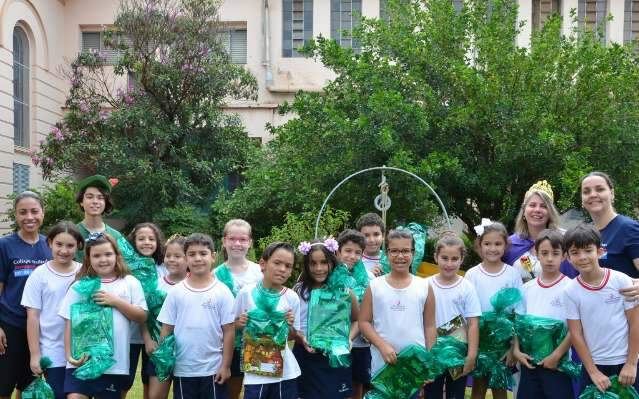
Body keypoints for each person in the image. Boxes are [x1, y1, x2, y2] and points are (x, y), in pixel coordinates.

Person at [59, 233, 147, 399]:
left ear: (116, 255)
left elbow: (141, 316)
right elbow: (69, 322)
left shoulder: (129, 282)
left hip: (114, 363)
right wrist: (70, 355)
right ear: (88, 259)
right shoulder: (80, 286)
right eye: (96, 255)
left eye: (108, 254)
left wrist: (116, 301)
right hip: (83, 360)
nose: (103, 259)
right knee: (75, 397)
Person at [358, 229, 436, 399]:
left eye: (405, 251)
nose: (400, 256)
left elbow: (430, 326)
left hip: (413, 364)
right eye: (394, 251)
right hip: (382, 364)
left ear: (413, 253)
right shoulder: (375, 286)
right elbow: (363, 322)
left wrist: (430, 361)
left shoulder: (424, 286)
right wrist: (382, 345)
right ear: (386, 254)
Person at [563, 224, 639, 394]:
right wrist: (593, 372)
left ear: (600, 252)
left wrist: (631, 364)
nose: (582, 257)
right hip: (594, 366)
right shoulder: (570, 291)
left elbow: (635, 324)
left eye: (588, 250)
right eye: (575, 252)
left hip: (626, 364)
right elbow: (576, 333)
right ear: (567, 257)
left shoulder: (621, 281)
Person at [158, 233, 235, 399]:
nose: (197, 258)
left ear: (213, 257)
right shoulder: (176, 292)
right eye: (192, 254)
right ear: (186, 258)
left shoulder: (222, 291)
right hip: (183, 369)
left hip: (213, 369)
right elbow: (166, 330)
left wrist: (226, 366)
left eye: (203, 253)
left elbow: (229, 331)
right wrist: (164, 362)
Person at [21, 221, 83, 399]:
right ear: (49, 243)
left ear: (78, 245)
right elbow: (32, 316)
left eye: (70, 245)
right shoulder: (39, 275)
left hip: (80, 351)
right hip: (52, 350)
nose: (64, 250)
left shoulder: (84, 272)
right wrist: (35, 355)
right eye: (59, 244)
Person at [0, 191, 51, 399]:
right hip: (10, 326)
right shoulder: (4, 245)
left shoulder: (51, 245)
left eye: (34, 211)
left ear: (43, 213)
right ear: (16, 215)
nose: (29, 217)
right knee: (3, 387)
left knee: (29, 386)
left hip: (41, 328)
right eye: (23, 212)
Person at [512, 229, 574, 399]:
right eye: (544, 253)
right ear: (536, 255)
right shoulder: (526, 289)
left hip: (557, 365)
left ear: (564, 256)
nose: (549, 258)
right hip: (529, 364)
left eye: (555, 253)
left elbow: (575, 329)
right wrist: (516, 350)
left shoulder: (571, 289)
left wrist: (556, 355)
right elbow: (518, 323)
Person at [293, 239, 358, 399]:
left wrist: (348, 338)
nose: (319, 268)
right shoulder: (298, 291)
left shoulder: (344, 291)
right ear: (306, 266)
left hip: (335, 357)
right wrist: (300, 336)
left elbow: (357, 321)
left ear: (332, 262)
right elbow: (290, 327)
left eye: (324, 262)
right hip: (305, 356)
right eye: (313, 263)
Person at [234, 242, 300, 399]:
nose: (282, 269)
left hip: (285, 372)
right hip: (255, 371)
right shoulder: (246, 293)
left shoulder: (291, 297)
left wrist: (289, 325)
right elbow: (232, 324)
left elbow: (292, 335)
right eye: (277, 263)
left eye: (288, 266)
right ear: (263, 264)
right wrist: (240, 323)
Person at [465, 220, 522, 399]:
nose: (492, 248)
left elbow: (518, 311)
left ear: (505, 246)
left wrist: (513, 345)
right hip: (479, 339)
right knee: (478, 388)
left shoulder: (512, 273)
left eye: (498, 244)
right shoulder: (472, 275)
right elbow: (467, 312)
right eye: (487, 244)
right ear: (479, 246)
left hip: (503, 342)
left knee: (500, 389)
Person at [425, 232, 481, 399]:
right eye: (444, 258)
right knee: (431, 394)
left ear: (461, 259)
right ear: (436, 257)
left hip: (457, 353)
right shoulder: (425, 284)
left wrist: (471, 354)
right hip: (432, 350)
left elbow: (473, 323)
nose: (449, 264)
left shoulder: (467, 287)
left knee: (455, 395)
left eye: (454, 259)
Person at [213, 220, 263, 399]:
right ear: (224, 241)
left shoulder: (260, 273)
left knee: (256, 392)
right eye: (232, 239)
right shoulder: (215, 275)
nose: (237, 244)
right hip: (228, 346)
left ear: (249, 242)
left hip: (258, 343)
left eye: (242, 239)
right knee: (230, 392)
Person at [505, 180, 577, 281]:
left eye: (543, 206)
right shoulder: (510, 244)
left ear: (550, 212)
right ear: (524, 211)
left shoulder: (565, 240)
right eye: (532, 205)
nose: (537, 210)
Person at [124, 223, 166, 399]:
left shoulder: (163, 267)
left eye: (151, 238)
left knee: (150, 380)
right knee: (124, 381)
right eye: (141, 239)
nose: (146, 242)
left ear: (158, 242)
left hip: (157, 335)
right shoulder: (125, 268)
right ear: (133, 242)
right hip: (130, 334)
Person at [144, 235, 188, 399]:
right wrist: (148, 339)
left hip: (188, 352)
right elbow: (144, 316)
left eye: (178, 256)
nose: (171, 260)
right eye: (168, 256)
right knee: (156, 396)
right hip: (160, 349)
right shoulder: (155, 285)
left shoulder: (195, 285)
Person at [580, 172, 639, 281]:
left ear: (612, 194)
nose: (593, 194)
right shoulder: (585, 233)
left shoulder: (628, 228)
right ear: (582, 199)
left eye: (600, 189)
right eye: (586, 191)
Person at [336, 229, 369, 399]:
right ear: (338, 251)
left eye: (358, 252)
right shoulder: (330, 275)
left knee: (358, 383)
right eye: (348, 251)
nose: (352, 256)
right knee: (339, 385)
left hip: (360, 342)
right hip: (335, 340)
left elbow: (367, 311)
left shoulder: (367, 277)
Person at [75, 175, 124, 262]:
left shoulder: (116, 236)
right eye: (90, 197)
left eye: (100, 198)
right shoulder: (72, 234)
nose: (95, 201)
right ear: (81, 202)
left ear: (106, 202)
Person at [356, 213, 385, 279]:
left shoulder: (390, 260)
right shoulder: (354, 260)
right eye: (366, 235)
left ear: (383, 236)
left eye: (376, 234)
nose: (371, 240)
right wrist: (368, 276)